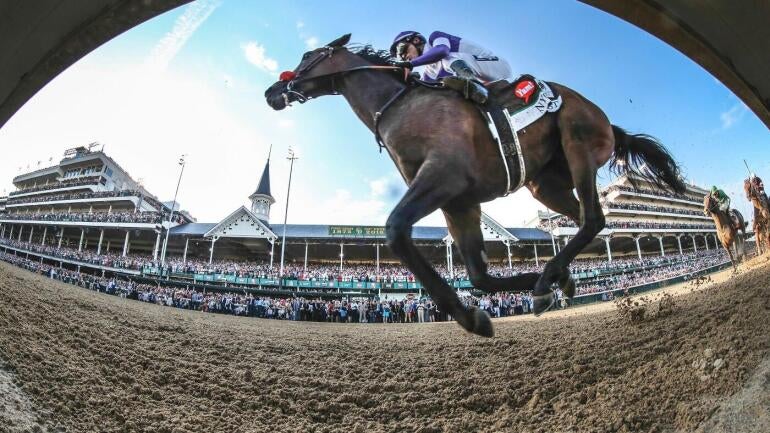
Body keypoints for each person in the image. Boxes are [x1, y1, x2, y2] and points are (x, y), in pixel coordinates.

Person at [389, 30, 512, 104]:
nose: (404, 56)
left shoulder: (435, 38)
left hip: (498, 67)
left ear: (416, 40)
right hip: (487, 82)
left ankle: (476, 87)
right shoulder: (429, 72)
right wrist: (413, 81)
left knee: (446, 58)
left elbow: (442, 51)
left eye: (402, 49)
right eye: (400, 57)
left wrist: (411, 64)